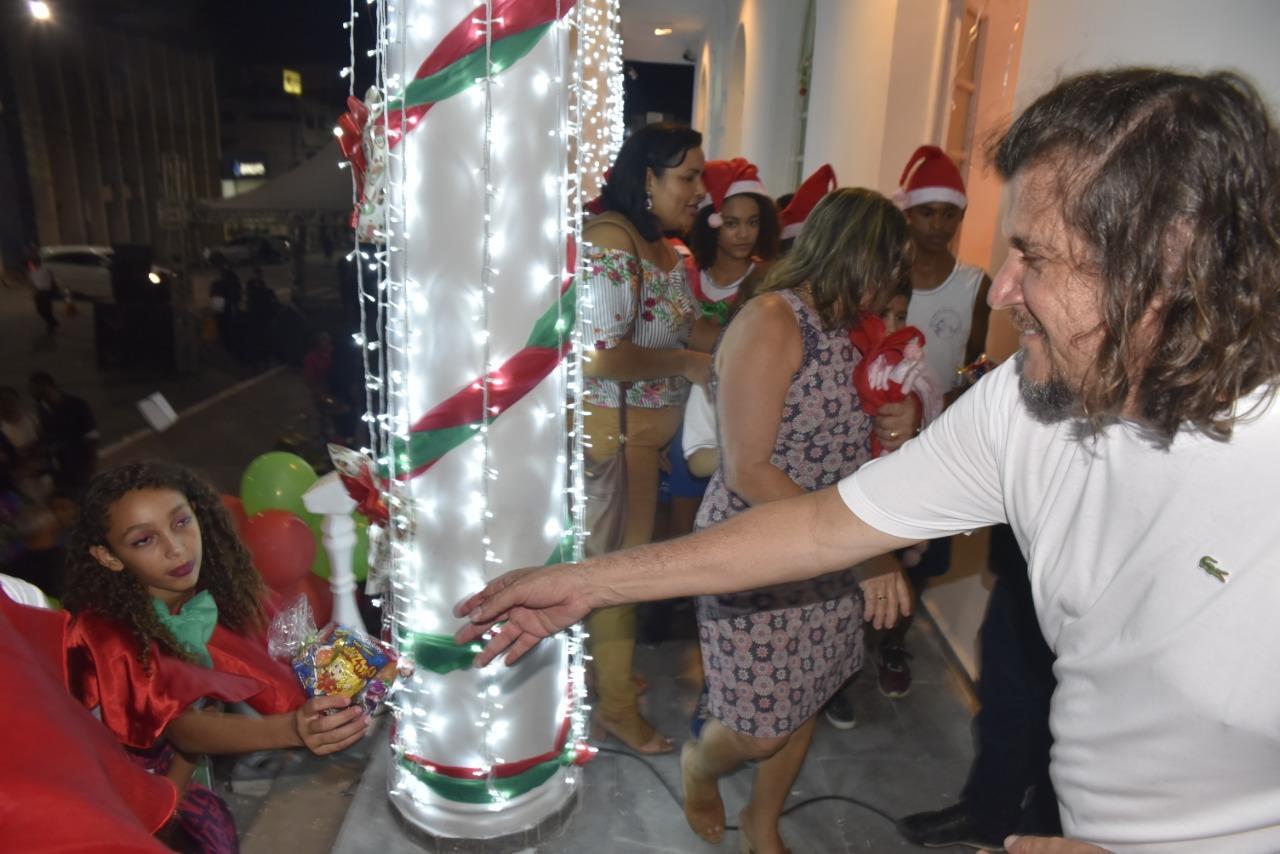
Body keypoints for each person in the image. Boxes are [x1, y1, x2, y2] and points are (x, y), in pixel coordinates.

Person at [456, 68, 1280, 854]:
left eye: (1038, 258)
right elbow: (818, 527)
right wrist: (590, 583)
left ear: (1165, 267)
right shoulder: (1023, 405)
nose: (999, 291)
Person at [682, 188, 920, 852]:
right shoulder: (771, 320)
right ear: (850, 252)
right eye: (887, 261)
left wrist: (903, 424)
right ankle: (699, 763)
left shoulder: (857, 328)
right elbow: (748, 469)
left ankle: (762, 821)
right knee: (760, 728)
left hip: (829, 549)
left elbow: (857, 441)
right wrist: (864, 553)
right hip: (757, 545)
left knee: (807, 694)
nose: (895, 278)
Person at [61, 461, 369, 852]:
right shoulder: (105, 629)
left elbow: (199, 721)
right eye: (144, 540)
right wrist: (292, 729)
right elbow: (180, 724)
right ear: (108, 557)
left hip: (173, 785)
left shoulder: (211, 600)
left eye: (180, 522)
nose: (176, 548)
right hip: (108, 800)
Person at [579, 122, 717, 756]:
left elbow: (679, 332)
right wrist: (689, 364)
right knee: (619, 578)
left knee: (625, 570)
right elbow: (602, 358)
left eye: (700, 177)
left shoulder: (668, 248)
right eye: (687, 177)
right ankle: (614, 709)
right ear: (647, 178)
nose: (700, 191)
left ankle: (607, 675)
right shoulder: (612, 240)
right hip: (618, 440)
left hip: (651, 444)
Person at [872, 145, 996, 701]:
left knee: (922, 552)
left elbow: (972, 357)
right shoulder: (882, 276)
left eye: (951, 214)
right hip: (877, 429)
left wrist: (951, 399)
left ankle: (891, 640)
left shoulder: (975, 284)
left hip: (938, 437)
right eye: (928, 213)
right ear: (907, 214)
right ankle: (844, 648)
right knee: (864, 541)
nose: (939, 225)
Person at [664, 157, 780, 540]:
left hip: (731, 414)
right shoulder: (688, 275)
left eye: (751, 222)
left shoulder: (766, 282)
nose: (743, 234)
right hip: (677, 411)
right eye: (731, 223)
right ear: (711, 224)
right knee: (678, 517)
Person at [29, 371, 98, 495]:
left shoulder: (76, 405)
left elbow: (91, 436)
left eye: (34, 388)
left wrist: (92, 464)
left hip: (79, 464)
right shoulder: (43, 410)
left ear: (46, 385)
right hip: (59, 469)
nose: (32, 392)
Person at [27, 255, 60, 335]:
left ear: (35, 264)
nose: (29, 266)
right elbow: (33, 283)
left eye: (30, 264)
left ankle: (51, 325)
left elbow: (51, 280)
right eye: (29, 264)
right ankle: (53, 322)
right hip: (38, 292)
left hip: (46, 292)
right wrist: (33, 291)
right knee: (40, 310)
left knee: (47, 310)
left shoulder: (45, 270)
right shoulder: (31, 273)